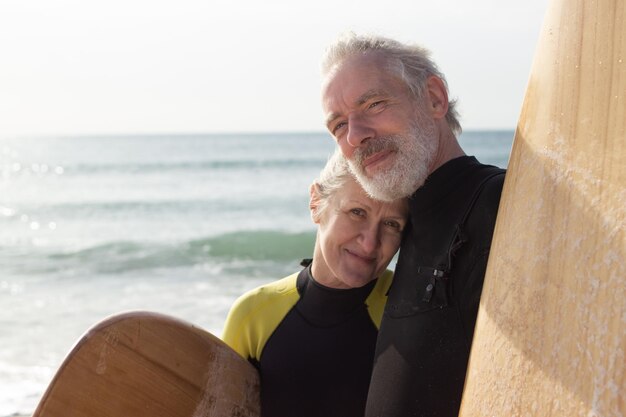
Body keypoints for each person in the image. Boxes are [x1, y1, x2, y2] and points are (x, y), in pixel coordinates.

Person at [321, 33, 506, 417]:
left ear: (435, 98)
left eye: (373, 104)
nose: (355, 136)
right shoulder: (403, 228)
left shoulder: (504, 202)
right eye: (338, 126)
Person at [222, 149, 409, 417]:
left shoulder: (409, 313)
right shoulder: (253, 315)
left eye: (392, 223)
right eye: (357, 212)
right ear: (316, 202)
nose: (370, 242)